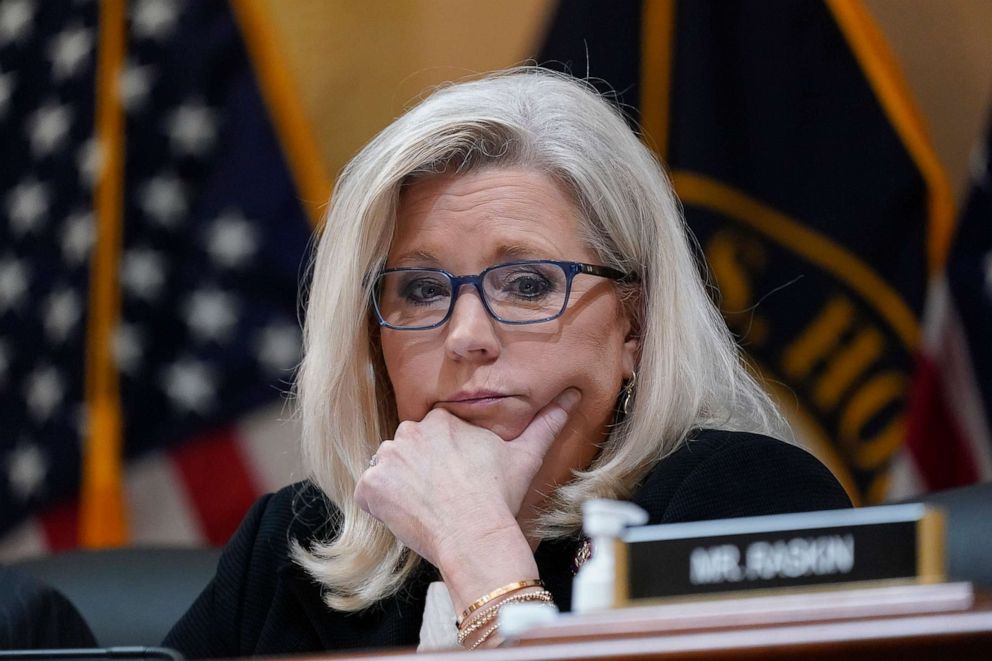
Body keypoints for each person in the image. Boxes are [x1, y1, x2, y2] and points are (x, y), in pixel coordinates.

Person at [163, 68, 851, 658]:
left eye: (527, 284)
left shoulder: (745, 505)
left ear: (634, 324)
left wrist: (480, 552)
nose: (467, 335)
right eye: (423, 289)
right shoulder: (293, 544)